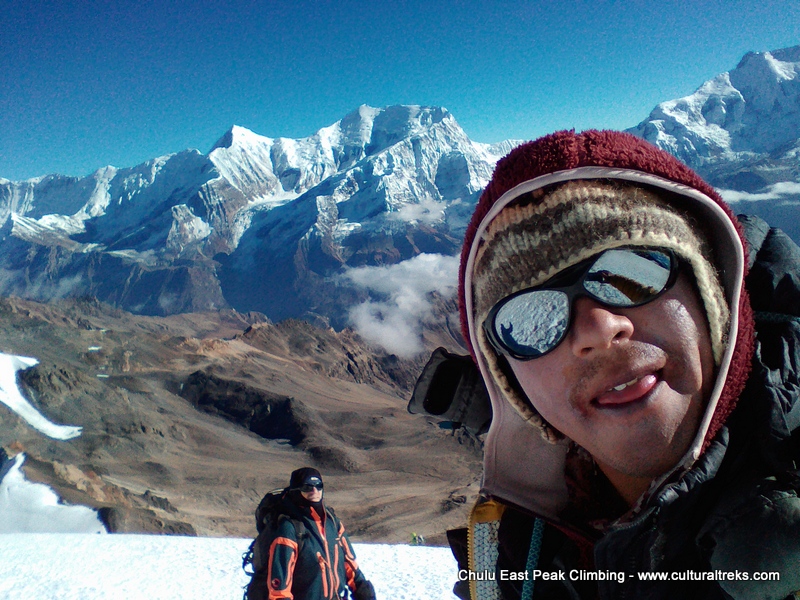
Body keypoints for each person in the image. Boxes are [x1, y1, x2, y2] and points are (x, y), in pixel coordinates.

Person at [449, 130, 800, 599]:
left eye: (635, 272)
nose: (598, 329)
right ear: (510, 382)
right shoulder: (516, 562)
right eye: (530, 319)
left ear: (713, 299)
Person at [266, 467, 376, 600]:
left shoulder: (332, 522)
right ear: (296, 490)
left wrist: (363, 591)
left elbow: (349, 563)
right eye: (307, 487)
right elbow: (280, 587)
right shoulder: (289, 527)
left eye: (318, 486)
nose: (314, 491)